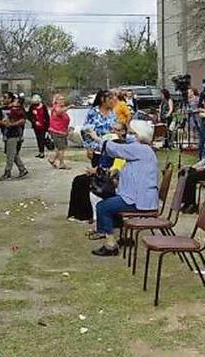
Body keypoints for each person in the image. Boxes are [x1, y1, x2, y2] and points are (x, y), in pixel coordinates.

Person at [91, 120, 160, 257]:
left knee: (103, 206)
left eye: (132, 133)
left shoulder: (140, 149)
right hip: (140, 196)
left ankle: (110, 245)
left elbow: (115, 149)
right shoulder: (145, 150)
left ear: (140, 136)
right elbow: (135, 171)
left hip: (139, 200)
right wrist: (118, 173)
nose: (129, 136)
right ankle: (119, 236)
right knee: (110, 202)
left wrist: (97, 138)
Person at [67, 124, 126, 224]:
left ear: (123, 132)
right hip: (104, 173)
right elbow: (103, 162)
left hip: (112, 178)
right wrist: (96, 169)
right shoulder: (110, 143)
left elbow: (116, 168)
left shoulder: (122, 146)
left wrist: (98, 171)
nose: (114, 131)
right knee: (79, 179)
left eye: (117, 130)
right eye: (112, 129)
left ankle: (85, 215)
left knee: (83, 182)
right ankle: (80, 214)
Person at [0, 91, 28, 181]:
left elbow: (23, 120)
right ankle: (22, 169)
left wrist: (12, 124)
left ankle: (7, 172)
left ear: (10, 99)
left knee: (10, 154)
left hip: (15, 134)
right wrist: (2, 122)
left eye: (5, 97)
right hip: (6, 133)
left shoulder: (18, 109)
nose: (3, 99)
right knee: (12, 153)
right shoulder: (2, 109)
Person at [82, 90, 118, 163]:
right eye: (110, 99)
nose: (112, 101)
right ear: (102, 99)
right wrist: (89, 148)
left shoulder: (112, 113)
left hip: (111, 147)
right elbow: (86, 130)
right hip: (97, 149)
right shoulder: (93, 112)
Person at [48, 93, 71, 170]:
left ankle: (53, 159)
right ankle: (61, 163)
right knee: (61, 148)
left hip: (62, 131)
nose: (63, 101)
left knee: (59, 148)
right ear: (56, 101)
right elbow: (59, 112)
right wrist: (69, 107)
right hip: (57, 131)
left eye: (63, 99)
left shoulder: (61, 108)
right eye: (61, 99)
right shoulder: (56, 108)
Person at [28, 94, 50, 159]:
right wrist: (34, 121)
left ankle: (42, 152)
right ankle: (40, 151)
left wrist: (48, 125)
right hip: (36, 126)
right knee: (38, 138)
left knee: (42, 138)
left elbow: (47, 116)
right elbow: (29, 115)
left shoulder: (43, 107)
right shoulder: (32, 107)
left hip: (43, 125)